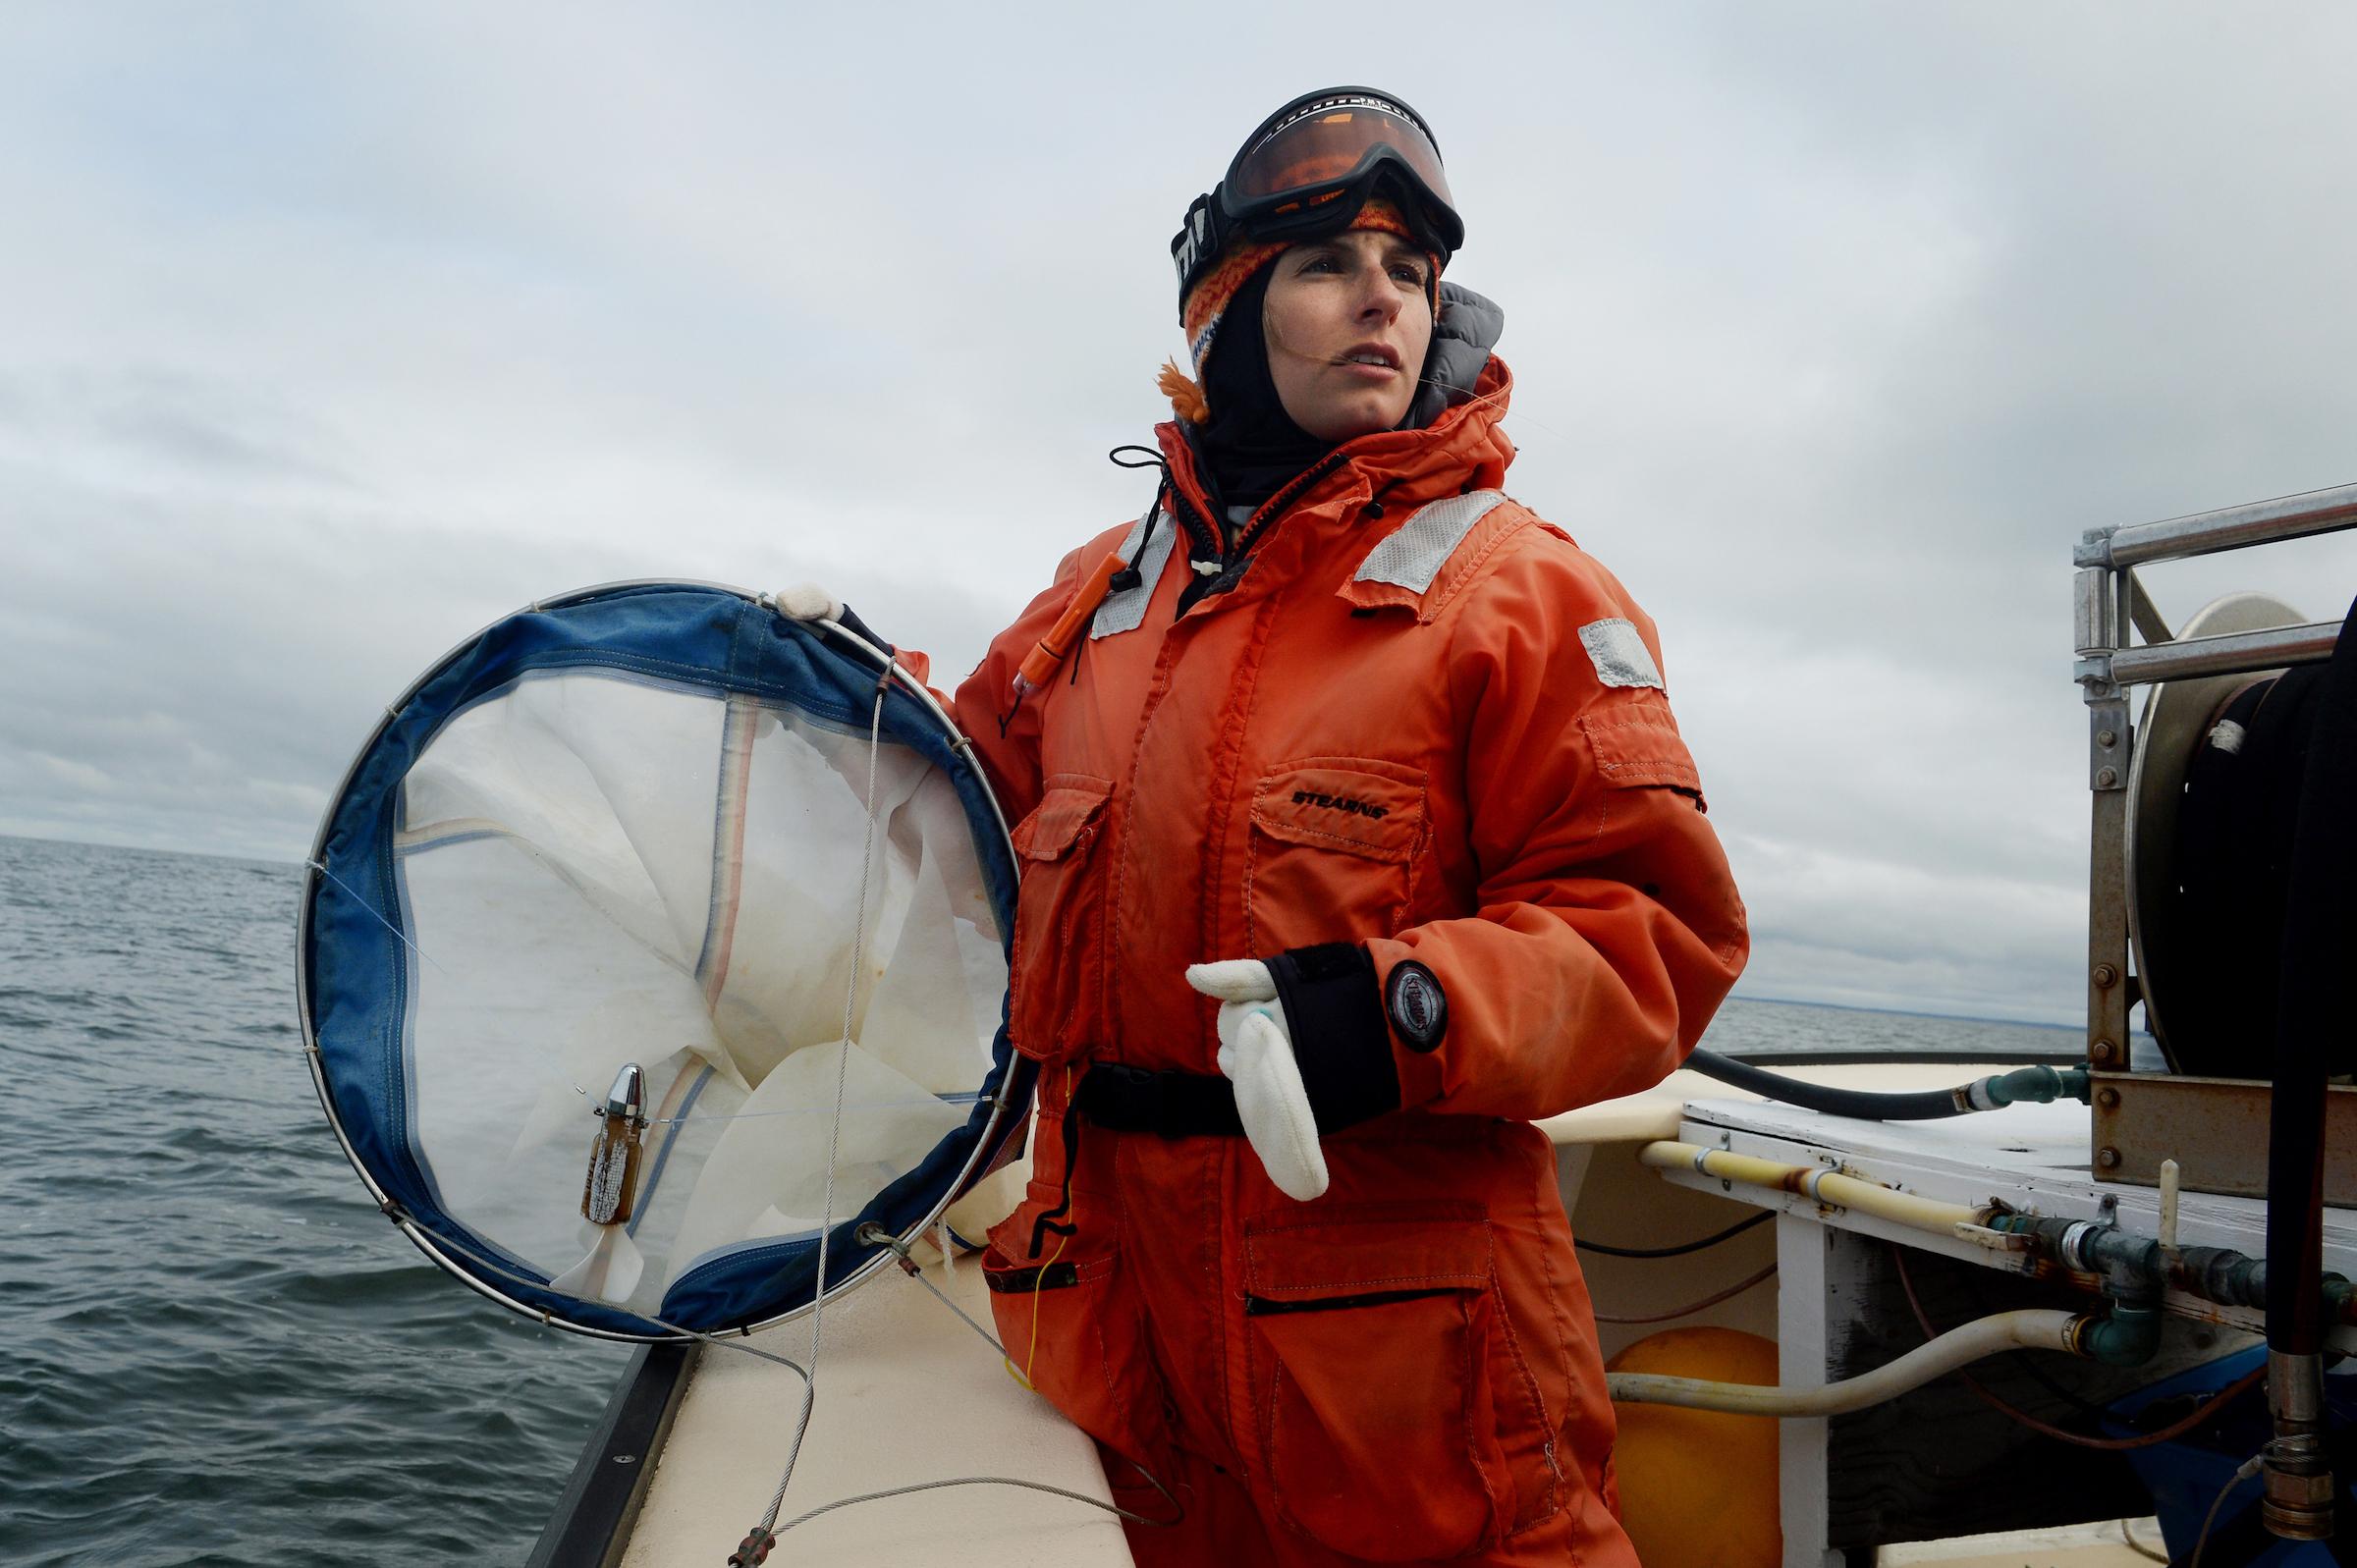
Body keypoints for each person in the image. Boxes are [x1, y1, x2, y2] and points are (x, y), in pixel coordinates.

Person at [952, 86, 1749, 1567]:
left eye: (1409, 269)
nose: (1379, 297)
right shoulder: (1091, 605)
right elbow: (943, 824)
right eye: (1327, 264)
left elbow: (1654, 937)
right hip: (1119, 1339)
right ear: (1230, 309)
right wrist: (836, 698)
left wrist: (1399, 1009)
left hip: (1415, 1392)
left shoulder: (1523, 593)